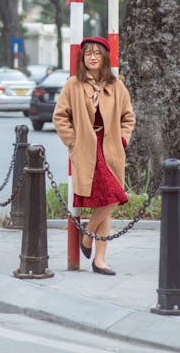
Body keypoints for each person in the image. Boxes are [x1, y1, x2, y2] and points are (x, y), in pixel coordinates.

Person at [52, 36, 135, 276]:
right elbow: (60, 117)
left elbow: (128, 117)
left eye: (97, 53)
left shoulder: (116, 86)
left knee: (112, 197)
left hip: (111, 148)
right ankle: (93, 249)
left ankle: (96, 253)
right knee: (109, 198)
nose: (92, 57)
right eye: (88, 53)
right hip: (87, 148)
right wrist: (73, 142)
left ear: (105, 57)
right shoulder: (73, 85)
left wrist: (122, 139)